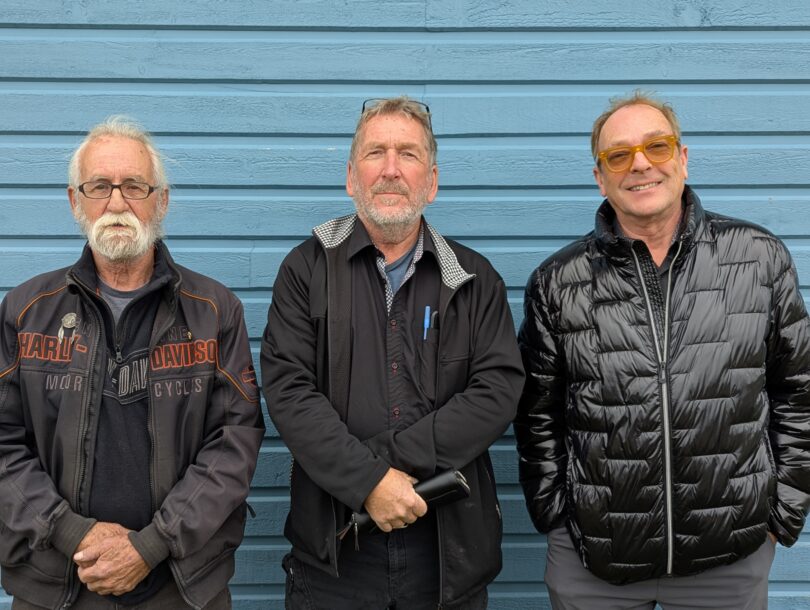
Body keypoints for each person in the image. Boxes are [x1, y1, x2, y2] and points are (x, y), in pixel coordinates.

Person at [515, 91, 810, 609]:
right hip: (595, 562)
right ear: (600, 177)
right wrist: (558, 519)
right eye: (618, 155)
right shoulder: (557, 282)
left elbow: (799, 392)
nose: (640, 164)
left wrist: (781, 513)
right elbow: (537, 414)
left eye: (657, 146)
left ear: (683, 158)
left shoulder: (758, 258)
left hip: (730, 558)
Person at [261, 96, 524, 609]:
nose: (390, 169)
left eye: (408, 153)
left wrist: (382, 470)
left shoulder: (474, 278)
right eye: (374, 152)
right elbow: (289, 392)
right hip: (336, 553)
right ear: (350, 177)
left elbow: (497, 392)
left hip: (446, 555)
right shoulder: (306, 270)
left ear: (432, 181)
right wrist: (367, 483)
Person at [0, 116, 265, 609]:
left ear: (160, 201)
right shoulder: (26, 310)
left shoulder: (213, 311)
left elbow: (235, 442)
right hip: (57, 583)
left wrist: (151, 545)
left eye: (135, 186)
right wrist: (72, 532)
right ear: (75, 200)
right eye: (100, 186)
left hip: (182, 585)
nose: (117, 203)